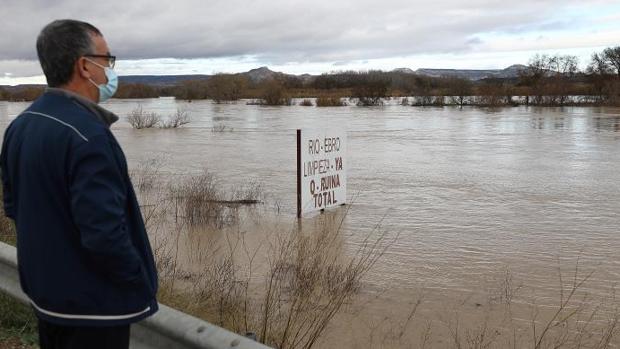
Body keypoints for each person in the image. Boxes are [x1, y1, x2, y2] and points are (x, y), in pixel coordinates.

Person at [0, 19, 158, 349]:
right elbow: (104, 234)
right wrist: (138, 279)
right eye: (107, 60)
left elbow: (13, 206)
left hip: (46, 299)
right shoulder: (89, 136)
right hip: (94, 310)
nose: (110, 70)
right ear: (85, 66)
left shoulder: (22, 125)